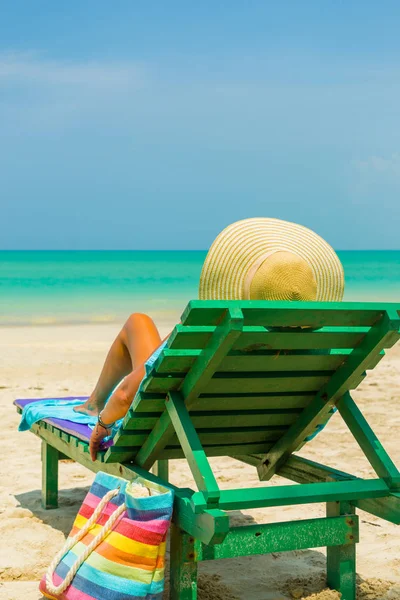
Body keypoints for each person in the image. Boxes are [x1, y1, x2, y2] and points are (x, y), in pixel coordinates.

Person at [76, 217, 345, 460]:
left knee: (138, 321)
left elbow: (125, 397)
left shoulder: (209, 333)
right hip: (273, 434)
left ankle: (94, 404)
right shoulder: (326, 348)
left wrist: (103, 425)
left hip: (178, 429)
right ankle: (94, 401)